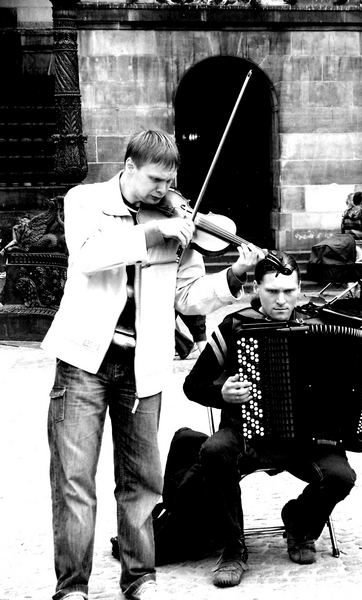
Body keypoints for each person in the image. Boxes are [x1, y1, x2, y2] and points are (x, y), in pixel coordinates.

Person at [41, 129, 265, 600]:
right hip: (84, 359)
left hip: (143, 366)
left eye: (171, 182)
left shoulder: (179, 222)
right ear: (129, 168)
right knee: (74, 479)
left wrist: (235, 275)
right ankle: (73, 587)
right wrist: (153, 231)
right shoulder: (84, 201)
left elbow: (189, 298)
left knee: (142, 481)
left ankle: (141, 578)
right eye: (156, 181)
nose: (165, 193)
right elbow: (87, 257)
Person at [182, 252, 362, 587]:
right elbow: (193, 385)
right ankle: (233, 547)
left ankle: (300, 522)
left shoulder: (320, 325)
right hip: (248, 434)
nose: (281, 300)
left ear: (299, 289)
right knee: (213, 450)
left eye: (289, 291)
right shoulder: (235, 327)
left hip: (310, 440)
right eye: (272, 292)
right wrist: (222, 391)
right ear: (256, 287)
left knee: (341, 477)